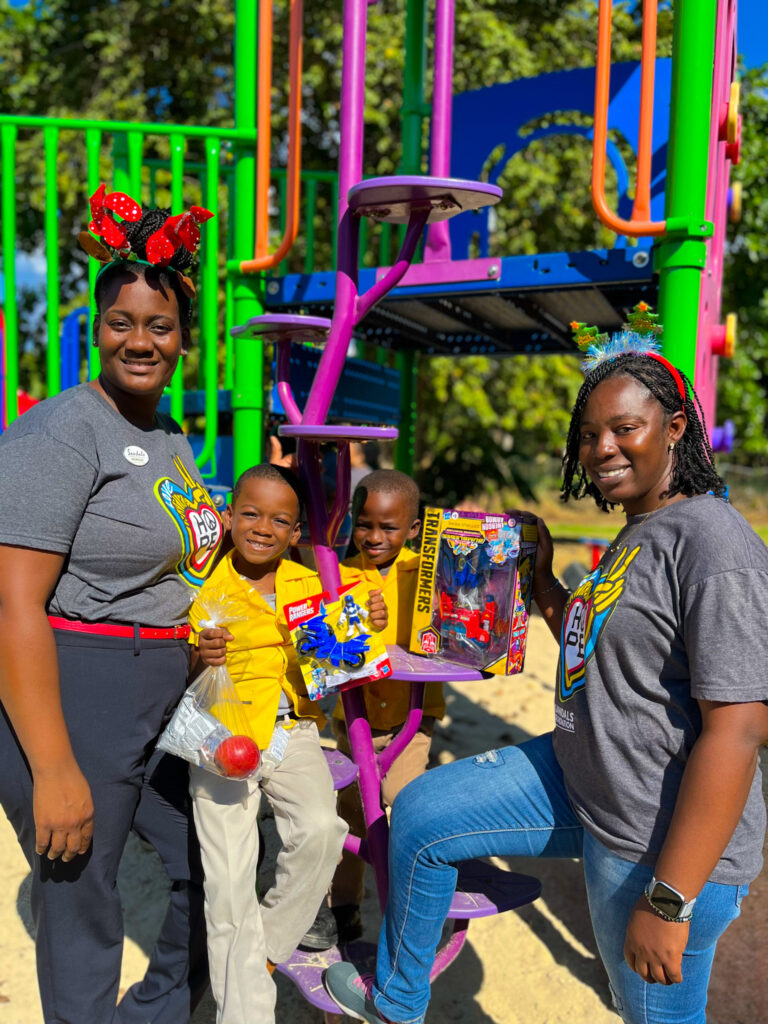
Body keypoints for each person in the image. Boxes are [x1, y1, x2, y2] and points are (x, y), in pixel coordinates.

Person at [325, 307, 768, 1024]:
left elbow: (741, 730)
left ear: (676, 429)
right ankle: (398, 1004)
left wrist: (669, 898)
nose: (602, 448)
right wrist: (539, 583)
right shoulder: (642, 530)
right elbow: (602, 647)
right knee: (422, 815)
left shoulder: (714, 545)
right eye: (590, 434)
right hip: (583, 775)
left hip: (654, 840)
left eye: (625, 428)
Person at [0, 189, 223, 1022]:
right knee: (83, 909)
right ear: (96, 326)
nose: (141, 340)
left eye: (160, 326)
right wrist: (54, 768)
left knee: (217, 864)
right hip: (82, 685)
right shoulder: (59, 432)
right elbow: (11, 604)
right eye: (122, 321)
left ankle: (154, 1014)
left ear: (183, 339)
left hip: (167, 690)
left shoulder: (167, 435)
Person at [187, 463, 387, 1023]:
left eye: (280, 520)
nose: (262, 527)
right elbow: (174, 666)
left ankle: (265, 951)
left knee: (324, 830)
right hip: (220, 732)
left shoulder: (309, 583)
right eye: (249, 513)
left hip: (292, 728)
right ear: (229, 518)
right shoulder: (204, 588)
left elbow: (355, 639)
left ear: (296, 533)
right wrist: (197, 656)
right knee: (227, 882)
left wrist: (371, 618)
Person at [302, 469, 445, 950]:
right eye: (364, 525)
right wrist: (352, 613)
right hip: (354, 721)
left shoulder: (428, 574)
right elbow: (321, 653)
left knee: (405, 810)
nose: (375, 537)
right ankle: (344, 910)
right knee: (351, 817)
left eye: (389, 527)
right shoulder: (335, 577)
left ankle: (407, 912)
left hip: (410, 721)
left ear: (413, 528)